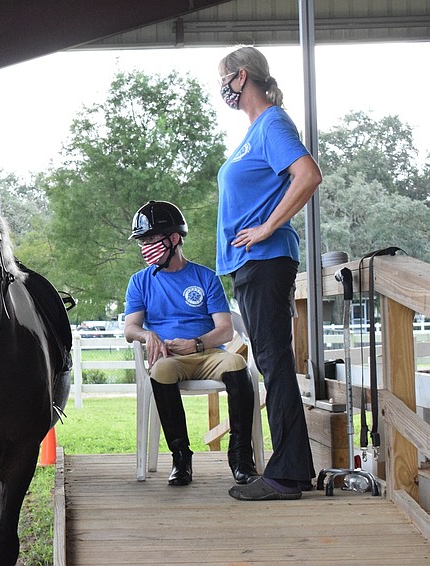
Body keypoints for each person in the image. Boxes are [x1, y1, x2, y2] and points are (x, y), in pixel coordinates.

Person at [216, 46, 322, 501]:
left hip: (267, 262)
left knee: (276, 364)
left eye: (224, 79)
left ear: (242, 77)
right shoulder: (254, 132)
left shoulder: (273, 123)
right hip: (252, 266)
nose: (221, 89)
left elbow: (308, 174)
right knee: (273, 364)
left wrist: (266, 227)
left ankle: (286, 475)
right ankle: (293, 470)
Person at [123, 201, 257, 487]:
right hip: (170, 358)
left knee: (237, 363)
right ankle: (181, 457)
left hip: (207, 354)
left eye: (151, 240)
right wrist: (149, 335)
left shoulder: (205, 277)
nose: (145, 247)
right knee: (161, 371)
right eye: (142, 242)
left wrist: (196, 344)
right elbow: (130, 328)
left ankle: (241, 457)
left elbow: (224, 330)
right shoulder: (139, 282)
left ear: (173, 239)